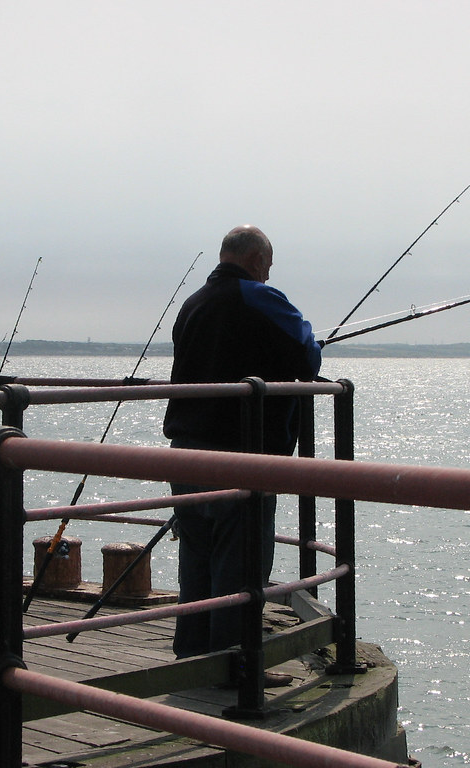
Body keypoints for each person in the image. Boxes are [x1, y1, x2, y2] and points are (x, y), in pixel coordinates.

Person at [162, 225, 322, 666]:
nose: (268, 276)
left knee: (197, 553)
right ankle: (237, 666)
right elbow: (308, 354)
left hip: (187, 448)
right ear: (255, 260)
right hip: (242, 453)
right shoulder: (260, 297)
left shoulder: (191, 305)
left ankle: (193, 653)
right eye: (267, 266)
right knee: (243, 559)